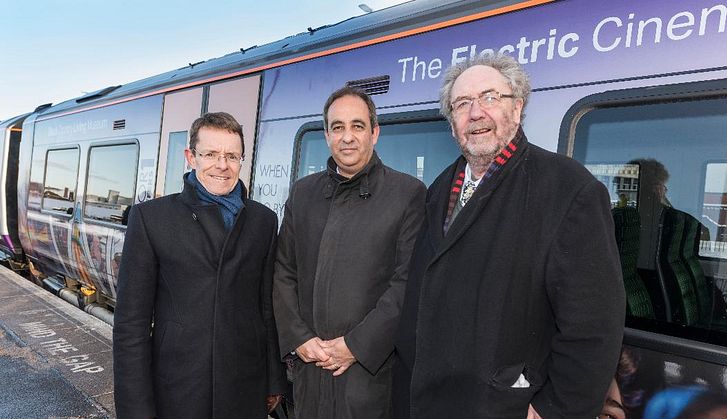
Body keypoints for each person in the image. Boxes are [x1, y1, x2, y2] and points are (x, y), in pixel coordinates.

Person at [393, 55, 626, 418]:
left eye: (490, 97)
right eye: (462, 104)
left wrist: (553, 409)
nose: (475, 113)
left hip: (503, 406)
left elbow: (594, 327)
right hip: (432, 400)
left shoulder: (568, 189)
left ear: (517, 109)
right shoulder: (440, 189)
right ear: (452, 124)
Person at [113, 112, 286, 418]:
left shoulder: (263, 221)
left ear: (242, 160)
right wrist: (135, 409)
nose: (222, 165)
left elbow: (266, 309)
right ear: (190, 157)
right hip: (177, 389)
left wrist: (274, 379)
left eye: (232, 156)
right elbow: (131, 326)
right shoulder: (151, 219)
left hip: (243, 387)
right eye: (210, 154)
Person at [273, 87, 426, 418]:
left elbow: (406, 284)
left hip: (369, 378)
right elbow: (284, 271)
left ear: (375, 132)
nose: (347, 137)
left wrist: (355, 346)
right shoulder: (303, 194)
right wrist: (298, 338)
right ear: (327, 135)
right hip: (309, 373)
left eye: (357, 126)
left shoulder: (408, 194)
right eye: (337, 127)